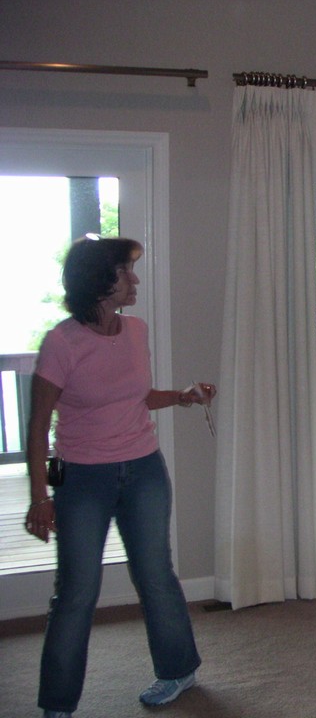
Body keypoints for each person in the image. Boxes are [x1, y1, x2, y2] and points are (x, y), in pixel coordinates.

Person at [23, 236, 216, 718]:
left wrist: (181, 397)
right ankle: (58, 704)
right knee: (76, 590)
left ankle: (178, 670)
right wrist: (39, 497)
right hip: (82, 479)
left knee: (155, 574)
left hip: (144, 468)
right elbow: (37, 426)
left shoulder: (136, 330)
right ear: (97, 281)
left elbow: (136, 396)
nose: (134, 280)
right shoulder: (61, 342)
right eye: (124, 272)